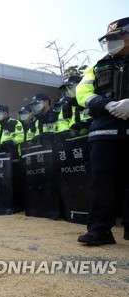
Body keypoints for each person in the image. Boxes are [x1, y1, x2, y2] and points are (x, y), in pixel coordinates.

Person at [76, 17, 129, 245]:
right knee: (100, 181)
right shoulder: (97, 66)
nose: (111, 42)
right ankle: (99, 230)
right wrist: (104, 104)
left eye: (116, 37)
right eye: (108, 39)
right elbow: (81, 93)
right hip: (103, 131)